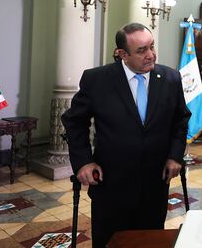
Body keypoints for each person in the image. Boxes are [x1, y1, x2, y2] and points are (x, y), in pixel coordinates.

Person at [61, 23, 191, 247]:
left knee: (150, 241)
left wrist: (175, 155)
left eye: (152, 47)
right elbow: (74, 122)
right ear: (122, 54)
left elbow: (181, 121)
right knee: (110, 242)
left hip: (154, 186)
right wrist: (83, 162)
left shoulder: (170, 78)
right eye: (142, 50)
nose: (150, 55)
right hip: (111, 186)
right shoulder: (97, 80)